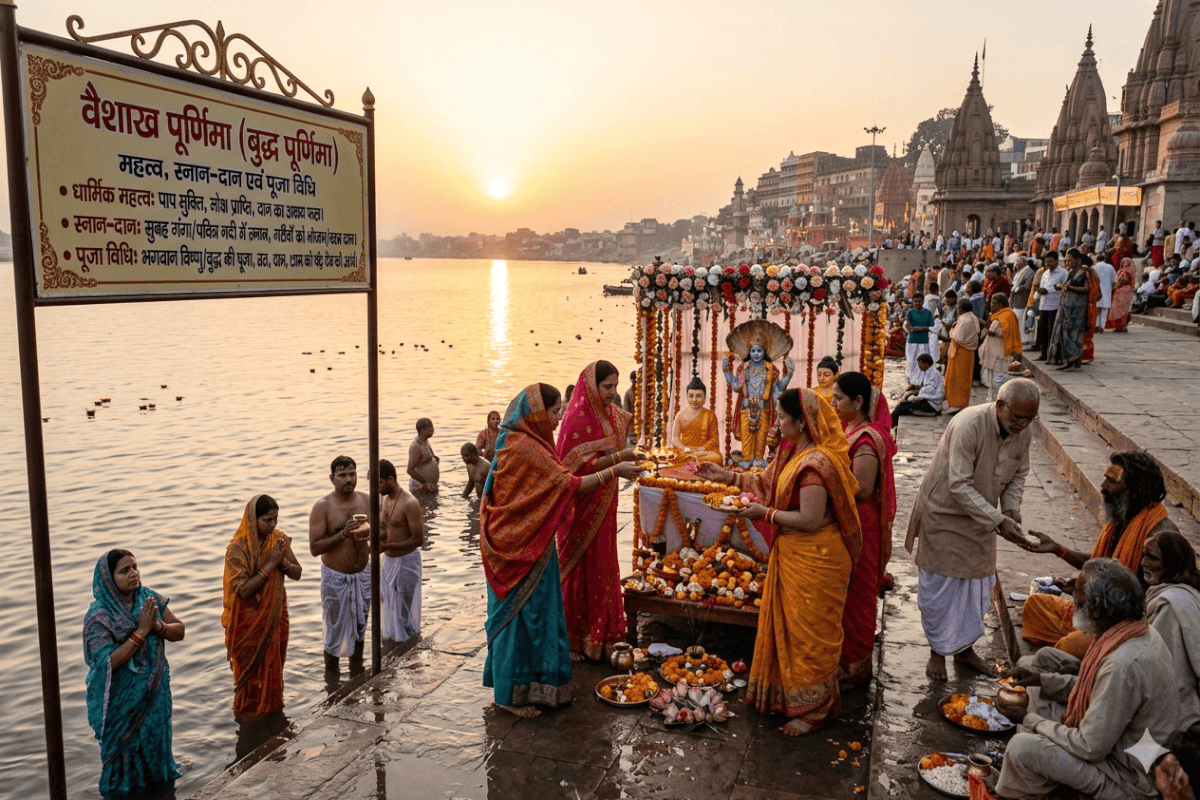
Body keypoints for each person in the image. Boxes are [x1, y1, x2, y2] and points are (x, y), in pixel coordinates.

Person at [698, 388, 860, 735]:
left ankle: (817, 709)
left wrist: (766, 514)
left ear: (803, 422)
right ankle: (787, 697)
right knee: (789, 632)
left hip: (818, 558)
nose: (777, 425)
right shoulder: (792, 451)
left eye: (783, 419)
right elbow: (763, 481)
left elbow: (811, 519)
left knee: (809, 635)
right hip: (794, 553)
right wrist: (724, 476)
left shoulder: (818, 464)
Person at [481, 382, 641, 717]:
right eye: (555, 412)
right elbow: (571, 484)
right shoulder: (527, 448)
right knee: (519, 619)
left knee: (537, 613)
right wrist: (617, 470)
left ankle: (534, 687)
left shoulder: (515, 440)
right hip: (518, 547)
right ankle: (507, 697)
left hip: (529, 540)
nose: (559, 419)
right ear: (538, 414)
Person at [994, 559, 1178, 800]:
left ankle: (1019, 788)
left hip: (1129, 777)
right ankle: (1038, 773)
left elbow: (1089, 746)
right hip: (1121, 744)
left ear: (1098, 608)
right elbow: (1094, 690)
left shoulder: (1122, 665)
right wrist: (1041, 680)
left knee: (1021, 749)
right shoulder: (1135, 630)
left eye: (1078, 596)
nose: (1073, 601)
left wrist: (1030, 719)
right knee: (1035, 672)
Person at [906, 378, 1040, 679]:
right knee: (940, 589)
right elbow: (959, 484)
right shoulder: (969, 424)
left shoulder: (1024, 430)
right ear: (1000, 406)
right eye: (1017, 417)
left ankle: (965, 651)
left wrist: (1010, 509)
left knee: (976, 589)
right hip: (945, 515)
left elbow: (1019, 472)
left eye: (1029, 418)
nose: (1022, 424)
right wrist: (999, 520)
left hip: (985, 517)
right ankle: (937, 652)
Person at [1021, 451, 1179, 657]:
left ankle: (1087, 654)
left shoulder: (1159, 533)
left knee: (1068, 646)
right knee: (1035, 605)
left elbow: (1155, 603)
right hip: (1100, 613)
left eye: (1112, 481)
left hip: (1128, 626)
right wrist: (1059, 550)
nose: (1103, 486)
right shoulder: (1121, 519)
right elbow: (1102, 565)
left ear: (1134, 490)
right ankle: (1087, 647)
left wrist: (1093, 595)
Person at [556, 361, 640, 661]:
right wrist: (619, 461)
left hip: (606, 501)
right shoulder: (575, 421)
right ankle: (573, 638)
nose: (613, 393)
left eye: (616, 386)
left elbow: (611, 454)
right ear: (592, 387)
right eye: (607, 387)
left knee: (603, 564)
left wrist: (626, 457)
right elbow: (572, 473)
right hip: (580, 507)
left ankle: (603, 636)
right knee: (578, 568)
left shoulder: (612, 415)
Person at [84, 549, 185, 796]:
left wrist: (157, 626)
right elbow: (106, 662)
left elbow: (179, 631)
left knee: (155, 752)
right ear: (108, 578)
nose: (133, 574)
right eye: (124, 570)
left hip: (155, 696)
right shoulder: (99, 616)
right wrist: (141, 632)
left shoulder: (149, 598)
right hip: (122, 704)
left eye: (135, 567)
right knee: (122, 766)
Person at [832, 372, 897, 684]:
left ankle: (857, 663)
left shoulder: (867, 440)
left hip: (863, 524)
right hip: (852, 520)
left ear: (857, 402)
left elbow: (861, 489)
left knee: (858, 592)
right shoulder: (851, 430)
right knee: (845, 590)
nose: (833, 403)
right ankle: (843, 657)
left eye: (839, 398)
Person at [223, 494, 301, 718]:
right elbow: (244, 590)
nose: (273, 525)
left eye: (276, 519)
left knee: (273, 669)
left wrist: (283, 562)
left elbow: (297, 573)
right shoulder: (237, 549)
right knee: (250, 675)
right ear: (252, 519)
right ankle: (248, 714)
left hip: (275, 615)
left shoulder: (278, 539)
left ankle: (272, 715)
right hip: (247, 623)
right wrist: (271, 565)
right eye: (267, 520)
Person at [309, 455, 371, 677]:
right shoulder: (323, 507)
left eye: (352, 474)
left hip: (363, 575)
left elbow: (383, 532)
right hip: (336, 579)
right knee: (335, 632)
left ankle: (357, 675)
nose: (348, 479)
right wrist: (344, 534)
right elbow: (315, 548)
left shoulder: (366, 500)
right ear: (332, 478)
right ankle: (332, 680)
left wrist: (370, 533)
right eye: (342, 475)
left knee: (360, 629)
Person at [1143, 531, 1200, 733]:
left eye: (1152, 558)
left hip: (1177, 712)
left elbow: (1163, 672)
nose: (1143, 563)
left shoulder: (1170, 605)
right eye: (1144, 555)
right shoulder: (1177, 593)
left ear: (1171, 563)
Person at [723, 323, 795, 466]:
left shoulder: (770, 369)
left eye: (759, 351)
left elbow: (777, 389)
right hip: (746, 408)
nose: (755, 354)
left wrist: (789, 375)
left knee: (761, 438)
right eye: (753, 350)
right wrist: (726, 371)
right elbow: (737, 386)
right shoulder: (743, 368)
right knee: (746, 437)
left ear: (765, 352)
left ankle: (758, 461)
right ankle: (746, 461)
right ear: (749, 352)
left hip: (764, 409)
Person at [377, 459, 423, 643]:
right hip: (388, 562)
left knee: (404, 611)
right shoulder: (384, 499)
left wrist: (386, 546)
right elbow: (384, 529)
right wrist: (367, 534)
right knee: (389, 607)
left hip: (407, 562)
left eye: (378, 482)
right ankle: (395, 645)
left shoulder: (409, 503)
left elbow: (418, 540)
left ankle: (410, 647)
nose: (376, 487)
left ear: (390, 479)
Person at [1045, 248, 1090, 370]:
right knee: (1064, 333)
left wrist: (1070, 287)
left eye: (1070, 260)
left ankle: (1073, 361)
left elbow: (1086, 289)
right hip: (1067, 306)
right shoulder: (1071, 272)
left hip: (1077, 309)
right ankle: (1066, 360)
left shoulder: (1082, 272)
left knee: (1073, 335)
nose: (1067, 263)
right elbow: (1067, 286)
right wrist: (1061, 287)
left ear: (1078, 260)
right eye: (1066, 261)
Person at [669, 376, 722, 463]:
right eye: (691, 396)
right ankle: (692, 462)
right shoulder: (681, 415)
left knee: (717, 458)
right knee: (674, 456)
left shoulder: (710, 415)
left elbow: (714, 439)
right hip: (685, 452)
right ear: (687, 397)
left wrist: (702, 449)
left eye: (698, 396)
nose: (694, 399)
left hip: (702, 452)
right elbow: (674, 438)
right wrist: (685, 449)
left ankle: (690, 464)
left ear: (704, 398)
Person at [979, 293, 1021, 401]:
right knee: (998, 379)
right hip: (998, 354)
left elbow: (998, 332)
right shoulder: (1004, 315)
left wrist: (988, 328)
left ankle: (998, 401)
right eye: (992, 302)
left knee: (998, 380)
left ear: (1001, 305)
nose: (991, 305)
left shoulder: (1003, 316)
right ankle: (995, 400)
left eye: (994, 303)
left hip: (999, 355)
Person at [944, 298, 980, 411]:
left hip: (961, 353)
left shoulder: (965, 320)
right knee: (965, 378)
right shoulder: (973, 318)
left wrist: (951, 331)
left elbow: (958, 338)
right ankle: (961, 402)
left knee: (957, 378)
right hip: (968, 353)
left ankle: (956, 403)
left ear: (960, 309)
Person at [892, 353, 945, 426]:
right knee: (904, 404)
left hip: (932, 404)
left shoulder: (933, 374)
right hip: (928, 400)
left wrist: (921, 397)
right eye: (919, 363)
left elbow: (936, 393)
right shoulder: (929, 372)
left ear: (927, 363)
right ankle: (892, 422)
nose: (919, 365)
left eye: (921, 363)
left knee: (902, 407)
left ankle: (890, 424)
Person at [1034, 252, 1066, 359]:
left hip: (1055, 305)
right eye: (1046, 261)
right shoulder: (1045, 273)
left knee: (1052, 331)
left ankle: (1053, 355)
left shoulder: (1062, 272)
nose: (1048, 263)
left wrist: (1053, 289)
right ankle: (1043, 354)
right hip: (1043, 305)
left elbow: (1064, 287)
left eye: (1050, 261)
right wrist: (1039, 290)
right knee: (1043, 331)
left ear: (1056, 261)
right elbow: (1040, 286)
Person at [905, 292, 937, 384]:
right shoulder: (910, 312)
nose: (917, 303)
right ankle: (911, 380)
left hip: (924, 342)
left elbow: (931, 327)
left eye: (919, 301)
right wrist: (924, 328)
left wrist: (919, 328)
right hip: (912, 342)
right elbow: (910, 328)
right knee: (912, 362)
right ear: (913, 302)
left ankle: (922, 381)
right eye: (915, 301)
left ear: (923, 301)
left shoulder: (928, 313)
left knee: (923, 362)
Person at [407, 418, 440, 493]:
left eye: (432, 428)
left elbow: (426, 461)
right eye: (430, 429)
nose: (432, 430)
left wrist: (435, 461)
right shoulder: (416, 446)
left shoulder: (426, 442)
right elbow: (410, 470)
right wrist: (424, 482)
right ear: (422, 430)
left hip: (429, 485)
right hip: (420, 486)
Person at [1106, 256, 1137, 331]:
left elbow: (1124, 280)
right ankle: (1119, 326)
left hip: (1123, 291)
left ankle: (1121, 326)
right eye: (1122, 262)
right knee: (1121, 310)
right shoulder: (1127, 269)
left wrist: (1115, 286)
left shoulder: (1128, 270)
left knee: (1120, 309)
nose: (1122, 264)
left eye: (1124, 262)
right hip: (1123, 291)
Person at [1094, 255, 1117, 331]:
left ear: (1097, 259)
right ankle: (1102, 326)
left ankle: (1097, 325)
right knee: (1104, 309)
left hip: (1097, 289)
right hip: (1107, 289)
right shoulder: (1110, 267)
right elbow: (1114, 281)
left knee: (1097, 308)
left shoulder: (1094, 267)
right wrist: (1110, 288)